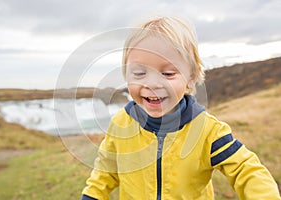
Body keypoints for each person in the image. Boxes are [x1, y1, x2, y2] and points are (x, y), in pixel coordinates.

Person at [81, 16, 280, 199]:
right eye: (140, 73)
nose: (152, 83)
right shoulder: (120, 124)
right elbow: (105, 172)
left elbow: (246, 169)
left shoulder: (207, 131)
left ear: (190, 79)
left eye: (168, 74)